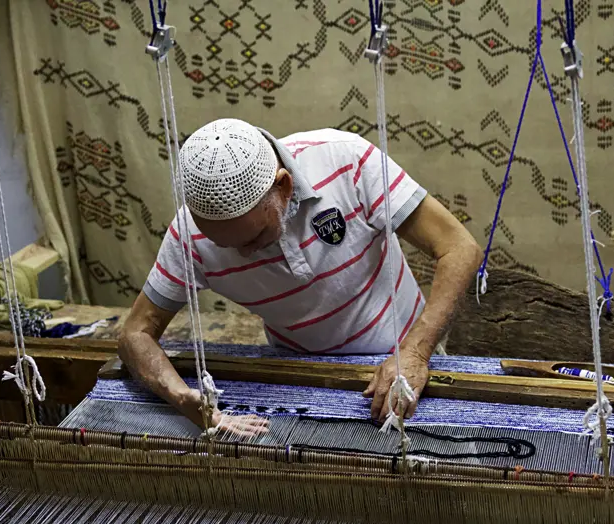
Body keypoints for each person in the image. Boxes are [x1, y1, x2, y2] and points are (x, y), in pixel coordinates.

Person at [119, 118, 481, 436]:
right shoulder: (190, 235)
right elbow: (135, 333)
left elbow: (459, 248)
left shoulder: (346, 160)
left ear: (284, 186)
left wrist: (415, 352)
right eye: (223, 243)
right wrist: (182, 396)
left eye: (255, 238)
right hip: (302, 377)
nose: (245, 254)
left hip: (404, 359)